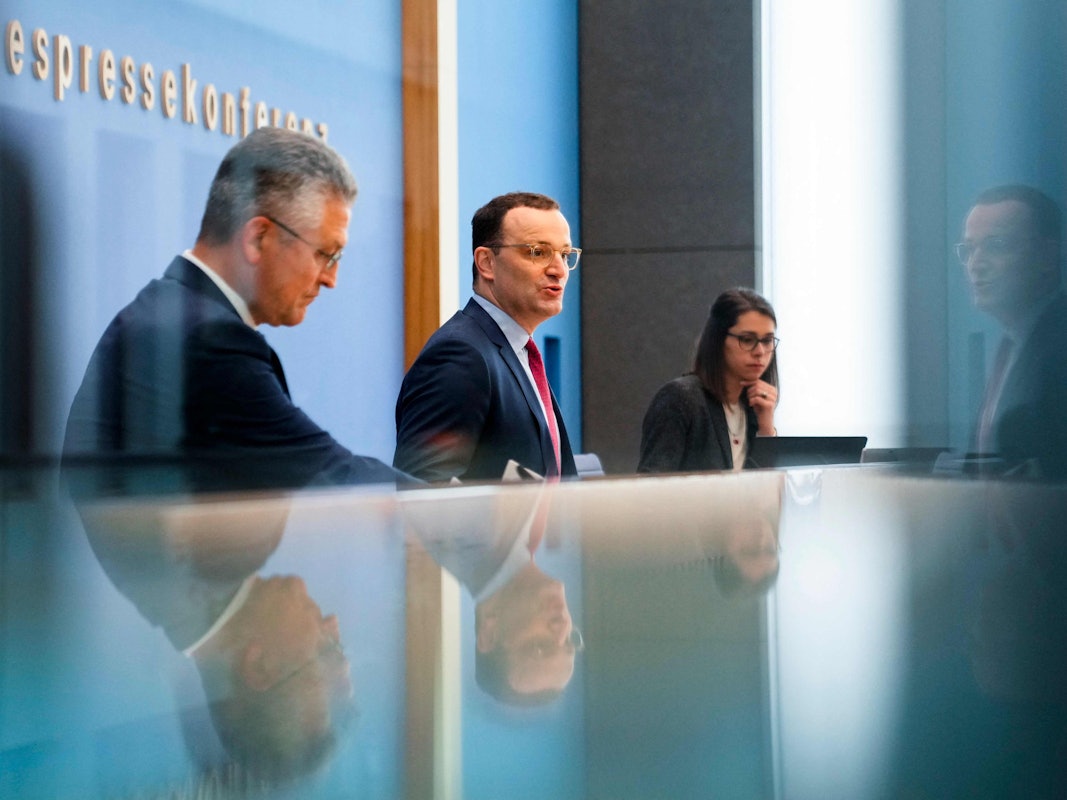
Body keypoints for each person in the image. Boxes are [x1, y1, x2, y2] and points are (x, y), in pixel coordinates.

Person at [63, 127, 406, 494]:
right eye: (327, 254)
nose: (331, 279)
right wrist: (453, 506)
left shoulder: (168, 311)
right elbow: (332, 478)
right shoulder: (209, 341)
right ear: (258, 238)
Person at [393, 192, 578, 482]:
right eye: (537, 252)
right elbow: (425, 490)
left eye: (565, 255)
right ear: (487, 263)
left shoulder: (518, 352)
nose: (558, 270)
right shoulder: (460, 354)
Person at [956, 184, 1067, 478]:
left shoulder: (1059, 345)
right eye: (969, 249)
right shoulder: (1010, 344)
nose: (975, 264)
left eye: (996, 246)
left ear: (1046, 255)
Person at [637, 287, 779, 473]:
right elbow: (651, 486)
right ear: (718, 340)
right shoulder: (680, 399)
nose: (760, 352)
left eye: (767, 341)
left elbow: (761, 491)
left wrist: (766, 429)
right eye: (746, 339)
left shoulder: (754, 406)